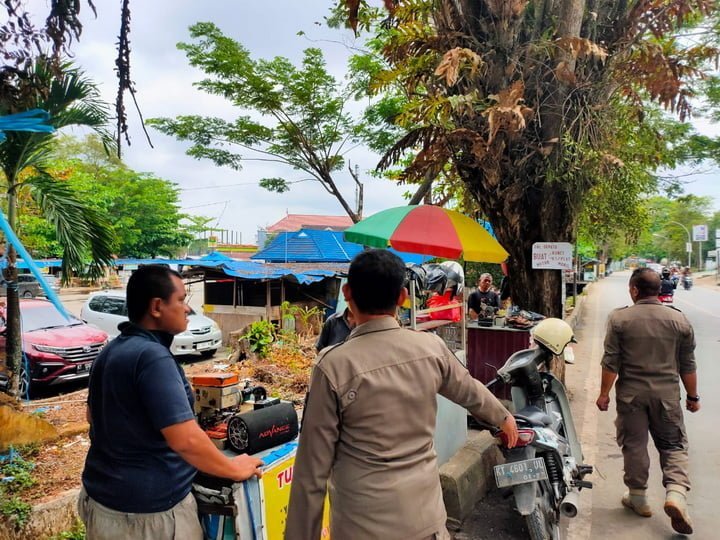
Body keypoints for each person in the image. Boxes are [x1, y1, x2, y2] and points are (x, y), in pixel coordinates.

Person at [285, 249, 518, 540]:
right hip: (427, 525)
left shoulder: (333, 366)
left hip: (361, 528)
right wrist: (504, 417)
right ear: (402, 298)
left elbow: (311, 475)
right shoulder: (430, 349)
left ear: (347, 292)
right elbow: (470, 390)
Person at [79, 265, 264, 540]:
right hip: (147, 517)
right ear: (156, 307)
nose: (187, 309)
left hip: (101, 500)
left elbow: (92, 417)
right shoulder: (153, 358)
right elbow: (185, 440)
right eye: (180, 300)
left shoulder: (111, 351)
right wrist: (233, 468)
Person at [595, 268, 699, 535]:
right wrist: (693, 397)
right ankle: (675, 493)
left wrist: (604, 394)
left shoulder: (620, 319)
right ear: (660, 290)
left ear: (634, 290)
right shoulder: (679, 320)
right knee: (673, 445)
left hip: (631, 396)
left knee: (634, 444)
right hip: (667, 397)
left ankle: (638, 498)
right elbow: (688, 365)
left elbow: (611, 361)